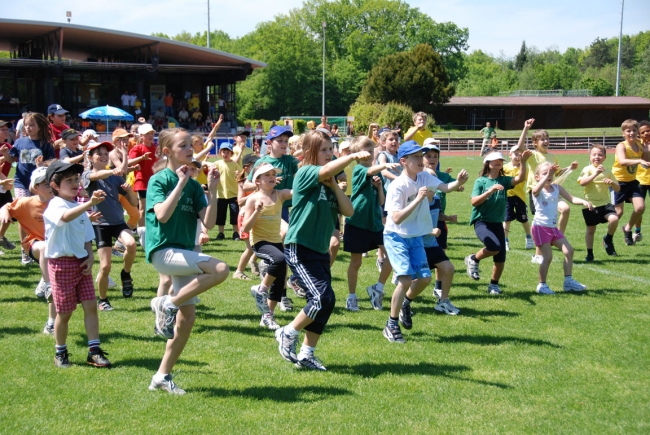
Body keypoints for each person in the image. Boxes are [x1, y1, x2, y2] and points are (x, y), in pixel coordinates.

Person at [274, 130, 369, 370]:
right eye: (324, 150)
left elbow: (348, 211)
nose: (330, 153)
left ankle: (307, 353)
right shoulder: (305, 173)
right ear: (309, 154)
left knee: (326, 301)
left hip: (319, 249)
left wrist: (335, 186)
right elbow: (325, 170)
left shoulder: (328, 182)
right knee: (321, 297)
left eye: (331, 149)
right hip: (300, 246)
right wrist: (353, 155)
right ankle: (288, 332)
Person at [147, 128, 229, 394]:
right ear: (167, 152)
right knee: (220, 269)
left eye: (190, 146)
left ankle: (162, 376)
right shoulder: (159, 180)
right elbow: (162, 216)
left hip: (183, 255)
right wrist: (180, 183)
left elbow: (209, 221)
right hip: (163, 252)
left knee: (187, 319)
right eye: (183, 146)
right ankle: (167, 303)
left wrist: (213, 190)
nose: (190, 150)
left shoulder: (195, 185)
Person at [381, 141, 468, 343]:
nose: (421, 160)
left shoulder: (424, 176)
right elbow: (396, 218)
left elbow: (446, 187)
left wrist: (459, 182)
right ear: (403, 161)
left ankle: (405, 304)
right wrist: (418, 199)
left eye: (422, 156)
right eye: (416, 157)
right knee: (404, 279)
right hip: (397, 236)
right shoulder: (397, 186)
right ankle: (391, 324)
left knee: (426, 278)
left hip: (416, 236)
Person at [43, 160, 112, 369]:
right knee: (64, 313)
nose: (75, 183)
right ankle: (60, 351)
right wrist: (88, 204)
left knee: (91, 306)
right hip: (61, 264)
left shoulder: (79, 206)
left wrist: (90, 257)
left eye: (76, 179)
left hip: (81, 263)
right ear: (55, 185)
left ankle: (94, 351)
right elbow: (64, 218)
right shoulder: (55, 205)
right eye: (68, 180)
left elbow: (86, 237)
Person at [465, 150, 531, 295]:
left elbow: (520, 178)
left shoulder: (504, 180)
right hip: (482, 221)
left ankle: (493, 285)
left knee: (500, 258)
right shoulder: (481, 181)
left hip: (497, 223)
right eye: (495, 160)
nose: (499, 161)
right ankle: (473, 258)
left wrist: (524, 162)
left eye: (501, 160)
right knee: (494, 246)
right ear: (487, 163)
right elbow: (474, 202)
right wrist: (490, 191)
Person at [343, 136, 398, 311]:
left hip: (375, 223)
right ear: (357, 155)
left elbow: (381, 202)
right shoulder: (360, 169)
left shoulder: (376, 172)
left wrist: (380, 188)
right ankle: (352, 296)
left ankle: (378, 288)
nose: (368, 154)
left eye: (370, 151)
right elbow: (368, 171)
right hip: (357, 222)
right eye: (364, 152)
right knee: (356, 263)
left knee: (392, 255)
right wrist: (384, 165)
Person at [82, 140, 138, 310]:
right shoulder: (86, 174)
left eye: (106, 154)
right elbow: (96, 176)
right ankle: (103, 300)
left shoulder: (114, 177)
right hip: (100, 225)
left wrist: (129, 190)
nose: (104, 156)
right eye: (99, 154)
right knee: (105, 266)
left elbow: (134, 203)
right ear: (91, 158)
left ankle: (126, 274)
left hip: (118, 222)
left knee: (131, 244)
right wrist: (113, 171)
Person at [0, 167, 57, 334]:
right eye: (45, 184)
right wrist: (4, 211)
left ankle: (51, 323)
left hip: (58, 247)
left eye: (52, 183)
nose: (50, 187)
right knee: (52, 285)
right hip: (34, 243)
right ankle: (46, 284)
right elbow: (6, 207)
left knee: (57, 283)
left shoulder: (61, 203)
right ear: (35, 187)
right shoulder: (26, 202)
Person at [516, 119, 578, 263]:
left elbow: (557, 174)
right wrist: (526, 128)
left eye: (547, 138)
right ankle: (538, 255)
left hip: (551, 190)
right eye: (542, 139)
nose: (545, 141)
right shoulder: (532, 155)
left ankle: (557, 237)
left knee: (566, 209)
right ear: (535, 143)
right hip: (537, 191)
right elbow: (520, 147)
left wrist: (570, 168)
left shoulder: (552, 157)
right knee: (540, 220)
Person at [243, 164, 293, 328]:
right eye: (267, 175)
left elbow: (297, 192)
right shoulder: (252, 199)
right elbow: (245, 228)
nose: (272, 176)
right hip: (259, 243)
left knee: (280, 280)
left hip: (276, 241)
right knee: (280, 259)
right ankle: (261, 289)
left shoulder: (280, 194)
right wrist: (257, 211)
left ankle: (267, 316)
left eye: (273, 174)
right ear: (257, 181)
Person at [1, 112, 55, 265]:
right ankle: (25, 251)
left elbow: (52, 162)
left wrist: (43, 164)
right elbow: (12, 159)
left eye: (32, 125)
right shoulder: (20, 142)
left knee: (41, 214)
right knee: (22, 214)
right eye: (26, 125)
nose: (28, 127)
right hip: (22, 182)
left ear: (39, 127)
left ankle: (41, 245)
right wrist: (6, 155)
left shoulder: (45, 144)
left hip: (39, 184)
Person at [530, 162, 590, 294]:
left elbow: (572, 199)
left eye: (550, 173)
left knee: (569, 250)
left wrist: (583, 201)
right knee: (548, 257)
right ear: (537, 177)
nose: (549, 176)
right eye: (545, 173)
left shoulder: (557, 187)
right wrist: (547, 176)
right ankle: (542, 285)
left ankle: (568, 282)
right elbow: (534, 191)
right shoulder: (538, 189)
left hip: (552, 228)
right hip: (540, 227)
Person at [577, 144, 620, 261]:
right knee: (591, 230)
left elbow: (617, 189)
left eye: (600, 155)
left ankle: (608, 239)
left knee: (614, 219)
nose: (597, 157)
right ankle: (590, 253)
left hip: (605, 204)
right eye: (594, 154)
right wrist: (595, 173)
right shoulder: (587, 169)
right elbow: (582, 182)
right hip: (591, 204)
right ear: (590, 157)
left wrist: (612, 183)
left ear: (605, 157)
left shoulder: (608, 172)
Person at [611, 119, 649, 246]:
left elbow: (645, 158)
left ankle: (627, 228)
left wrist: (646, 153)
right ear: (623, 133)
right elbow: (622, 161)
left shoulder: (639, 144)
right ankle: (608, 237)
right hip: (618, 182)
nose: (631, 133)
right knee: (619, 212)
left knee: (640, 208)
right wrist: (639, 161)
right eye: (628, 131)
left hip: (632, 181)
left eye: (634, 130)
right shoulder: (621, 146)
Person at [128, 123, 158, 246]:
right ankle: (142, 234)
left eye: (152, 133)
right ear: (141, 136)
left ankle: (153, 232)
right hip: (142, 182)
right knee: (143, 209)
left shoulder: (156, 148)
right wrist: (141, 158)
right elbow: (129, 163)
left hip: (154, 181)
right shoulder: (137, 149)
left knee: (156, 208)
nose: (150, 136)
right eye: (147, 134)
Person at [233, 153, 261, 280]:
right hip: (245, 217)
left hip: (257, 216)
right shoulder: (243, 182)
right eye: (255, 164)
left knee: (259, 244)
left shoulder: (260, 180)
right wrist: (254, 193)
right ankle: (238, 271)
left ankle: (254, 262)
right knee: (250, 248)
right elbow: (240, 201)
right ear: (246, 168)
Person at [503, 145, 535, 251]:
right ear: (510, 155)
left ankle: (528, 237)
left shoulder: (524, 168)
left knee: (524, 219)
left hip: (520, 197)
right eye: (516, 154)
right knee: (506, 220)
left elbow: (530, 180)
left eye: (520, 154)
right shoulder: (504, 168)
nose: (518, 157)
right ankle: (505, 240)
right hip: (507, 198)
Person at [213, 143, 242, 240]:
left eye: (227, 152)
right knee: (220, 214)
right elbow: (210, 169)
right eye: (223, 151)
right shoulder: (217, 164)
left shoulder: (235, 164)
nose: (225, 154)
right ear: (220, 153)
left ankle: (235, 233)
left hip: (233, 194)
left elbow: (241, 176)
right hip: (220, 194)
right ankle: (221, 233)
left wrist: (239, 174)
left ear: (231, 153)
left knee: (234, 214)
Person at [634, 120, 650, 241]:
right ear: (639, 134)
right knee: (639, 209)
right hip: (640, 180)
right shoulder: (637, 144)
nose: (646, 134)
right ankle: (637, 232)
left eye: (648, 131)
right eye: (643, 132)